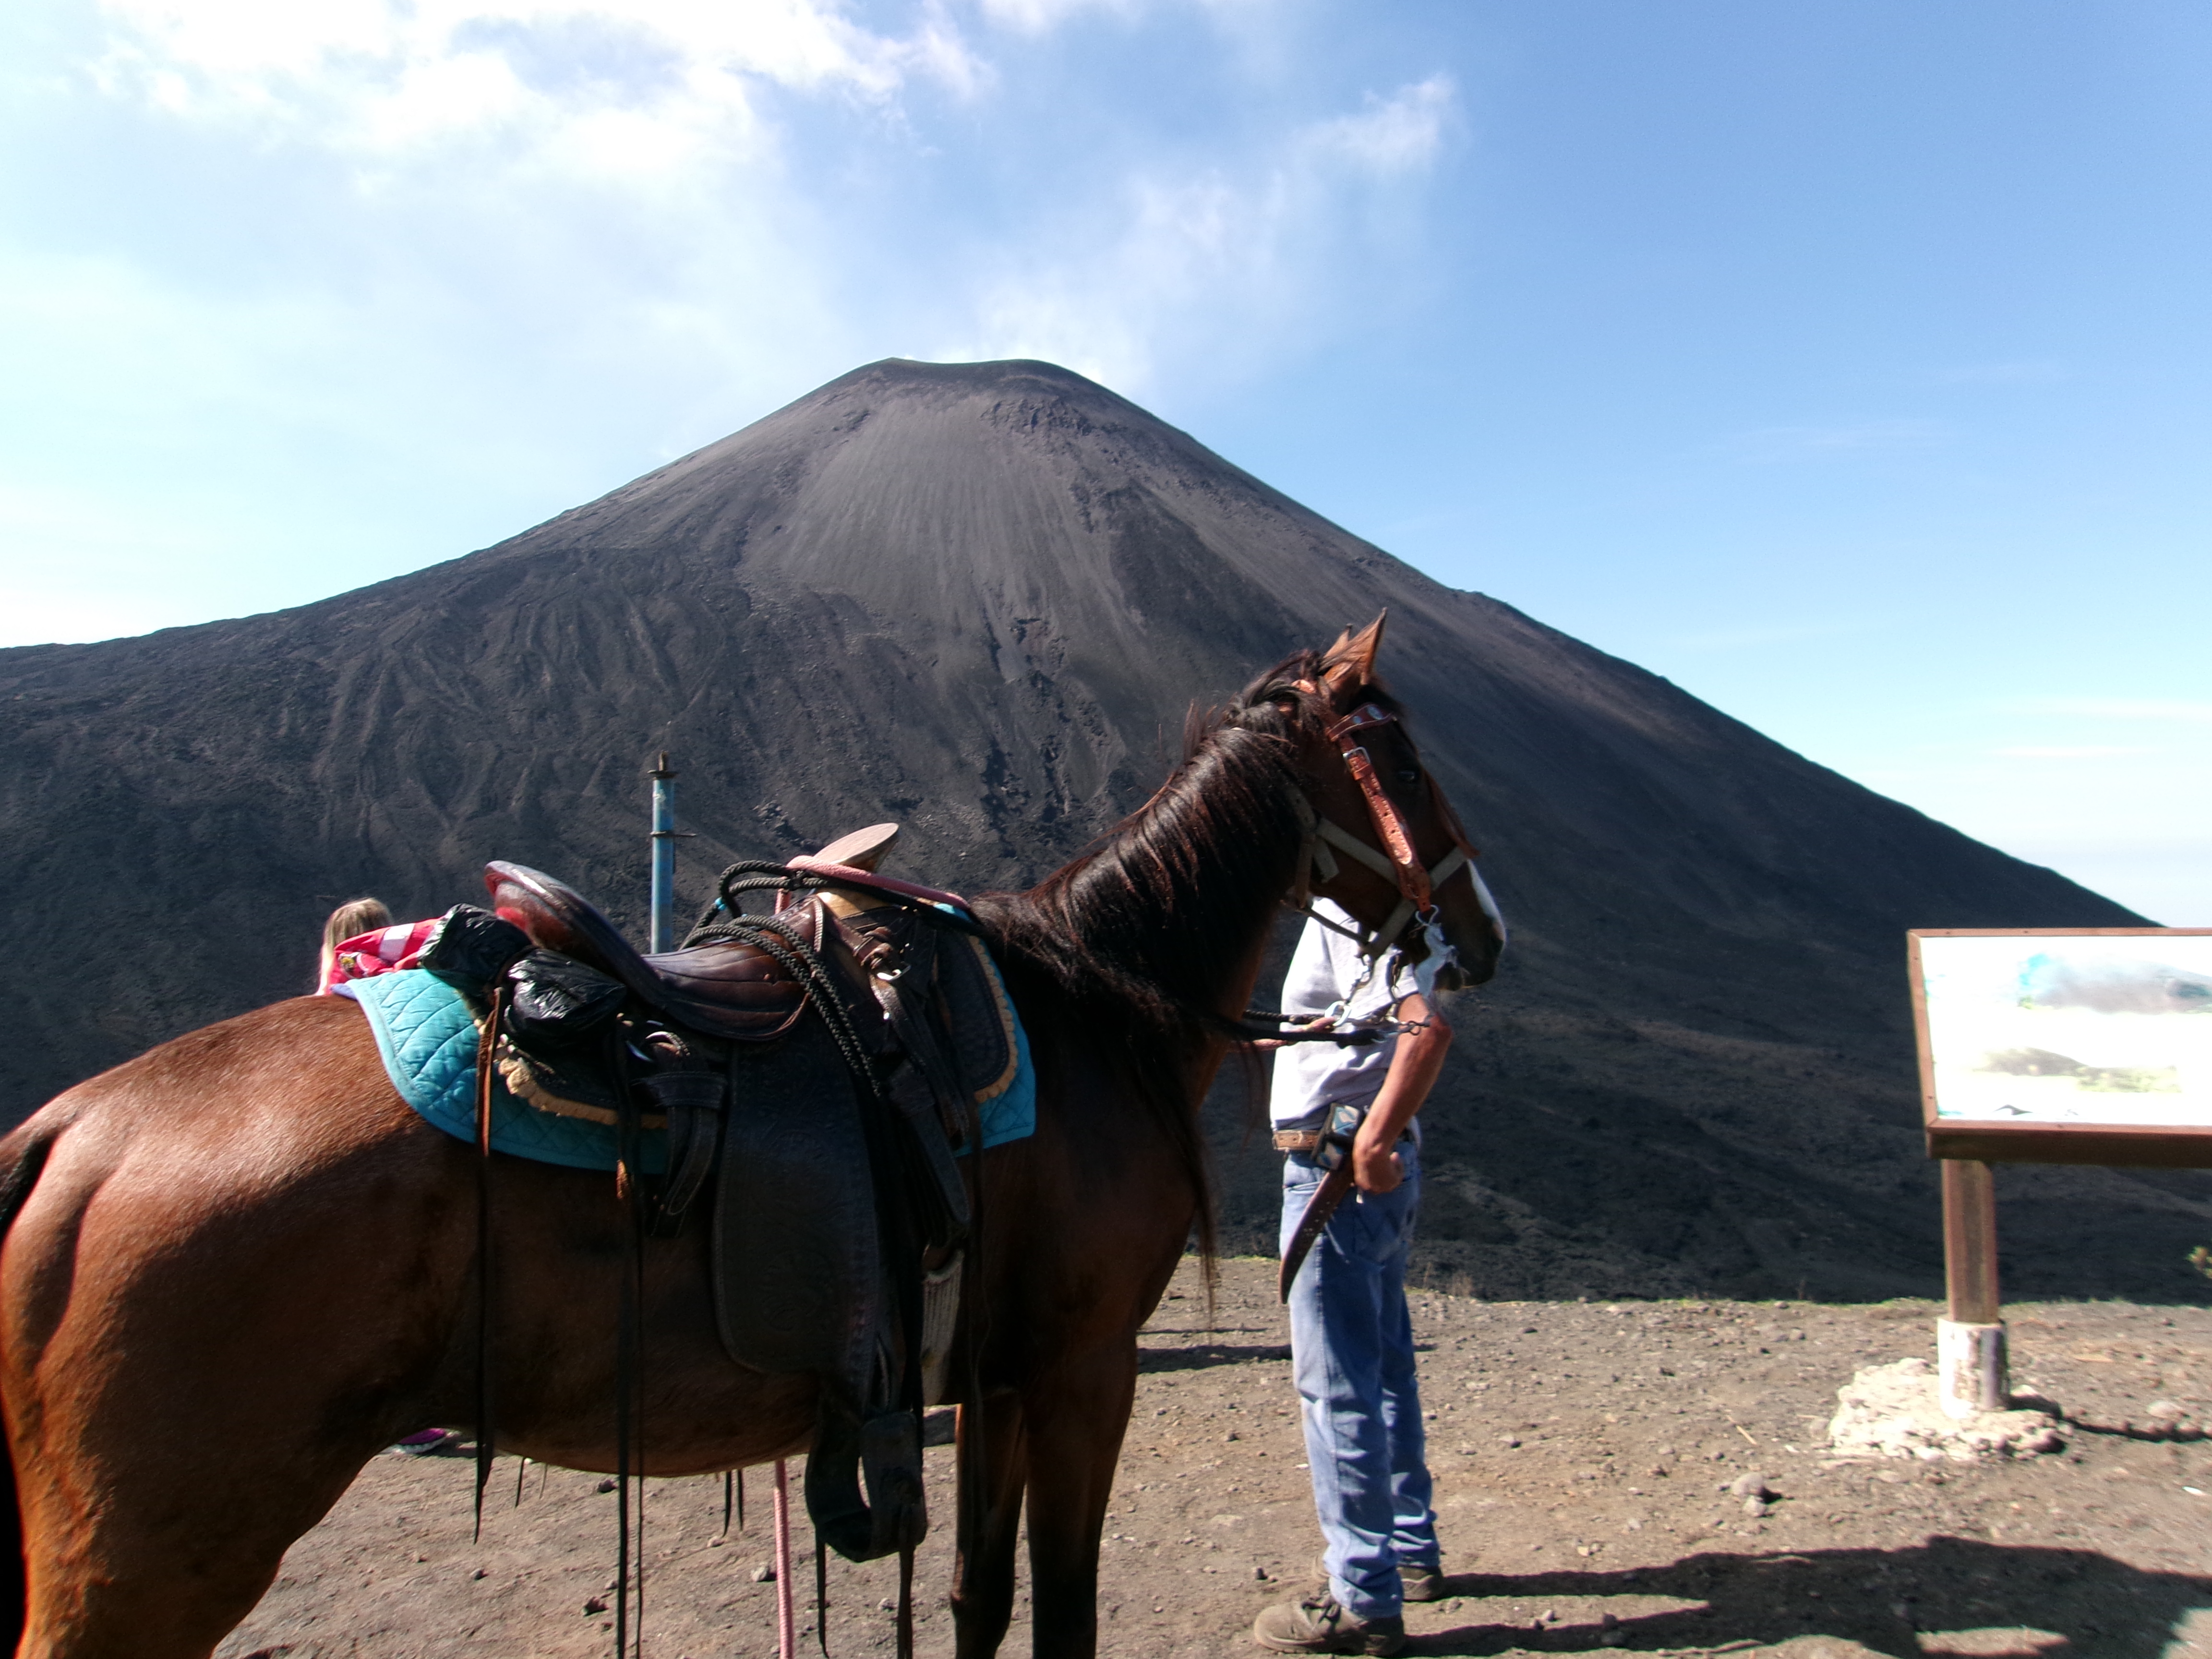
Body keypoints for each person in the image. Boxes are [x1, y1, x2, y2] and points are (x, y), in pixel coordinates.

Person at [1253, 899, 1457, 1657]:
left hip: (1337, 1174)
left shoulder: (1351, 905)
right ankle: (1409, 1550)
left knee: (1335, 1384)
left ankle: (1362, 1600)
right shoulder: (1410, 903)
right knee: (1386, 1367)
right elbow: (1378, 1014)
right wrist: (1305, 1039)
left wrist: (1368, 1140)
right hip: (1380, 1172)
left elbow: (1424, 1027)